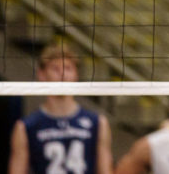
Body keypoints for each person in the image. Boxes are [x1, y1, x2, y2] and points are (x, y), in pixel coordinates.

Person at [8, 42, 113, 174]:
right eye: (55, 69)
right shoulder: (25, 127)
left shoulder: (97, 123)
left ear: (76, 74)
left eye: (68, 68)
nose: (63, 74)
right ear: (41, 75)